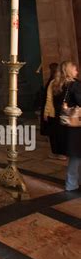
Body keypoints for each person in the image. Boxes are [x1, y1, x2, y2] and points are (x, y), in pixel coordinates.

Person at [51, 60, 81, 190]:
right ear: (69, 71)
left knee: (75, 154)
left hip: (65, 125)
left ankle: (73, 182)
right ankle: (71, 183)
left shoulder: (58, 85)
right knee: (77, 154)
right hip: (76, 125)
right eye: (75, 69)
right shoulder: (75, 85)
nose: (77, 71)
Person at [41, 63, 64, 160]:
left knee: (54, 134)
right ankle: (62, 152)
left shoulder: (53, 82)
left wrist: (46, 112)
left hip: (55, 112)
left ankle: (58, 152)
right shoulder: (62, 82)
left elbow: (48, 99)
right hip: (62, 112)